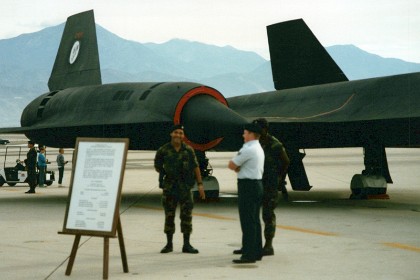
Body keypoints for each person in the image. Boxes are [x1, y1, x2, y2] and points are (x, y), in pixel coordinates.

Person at [154, 124, 206, 254]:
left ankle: (186, 244)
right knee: (169, 216)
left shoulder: (188, 150)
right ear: (171, 134)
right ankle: (169, 244)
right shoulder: (163, 150)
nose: (178, 135)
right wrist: (165, 173)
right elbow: (157, 165)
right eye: (176, 132)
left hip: (185, 188)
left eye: (181, 133)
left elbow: (195, 167)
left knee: (186, 216)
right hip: (170, 187)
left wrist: (200, 184)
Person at [228, 122, 265, 264]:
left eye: (245, 132)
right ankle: (255, 250)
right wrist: (238, 167)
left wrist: (237, 167)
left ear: (250, 134)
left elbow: (232, 165)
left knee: (247, 221)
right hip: (256, 184)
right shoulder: (258, 147)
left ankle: (249, 255)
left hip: (248, 186)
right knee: (254, 219)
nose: (243, 135)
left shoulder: (249, 149)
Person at [254, 118, 290, 256]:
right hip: (255, 183)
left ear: (265, 129)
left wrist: (279, 178)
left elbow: (286, 162)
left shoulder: (275, 145)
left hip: (269, 184)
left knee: (268, 215)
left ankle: (268, 245)